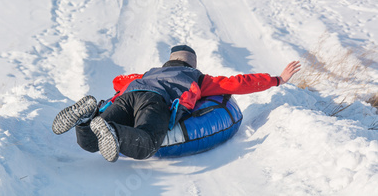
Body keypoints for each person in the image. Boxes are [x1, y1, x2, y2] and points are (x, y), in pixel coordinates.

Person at [52, 45, 301, 162]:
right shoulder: (198, 78)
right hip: (156, 101)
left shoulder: (147, 72)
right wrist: (277, 79)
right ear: (191, 64)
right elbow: (237, 83)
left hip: (129, 94)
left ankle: (86, 121)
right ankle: (115, 132)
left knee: (92, 143)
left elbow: (119, 81)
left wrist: (126, 85)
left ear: (168, 61)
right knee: (147, 142)